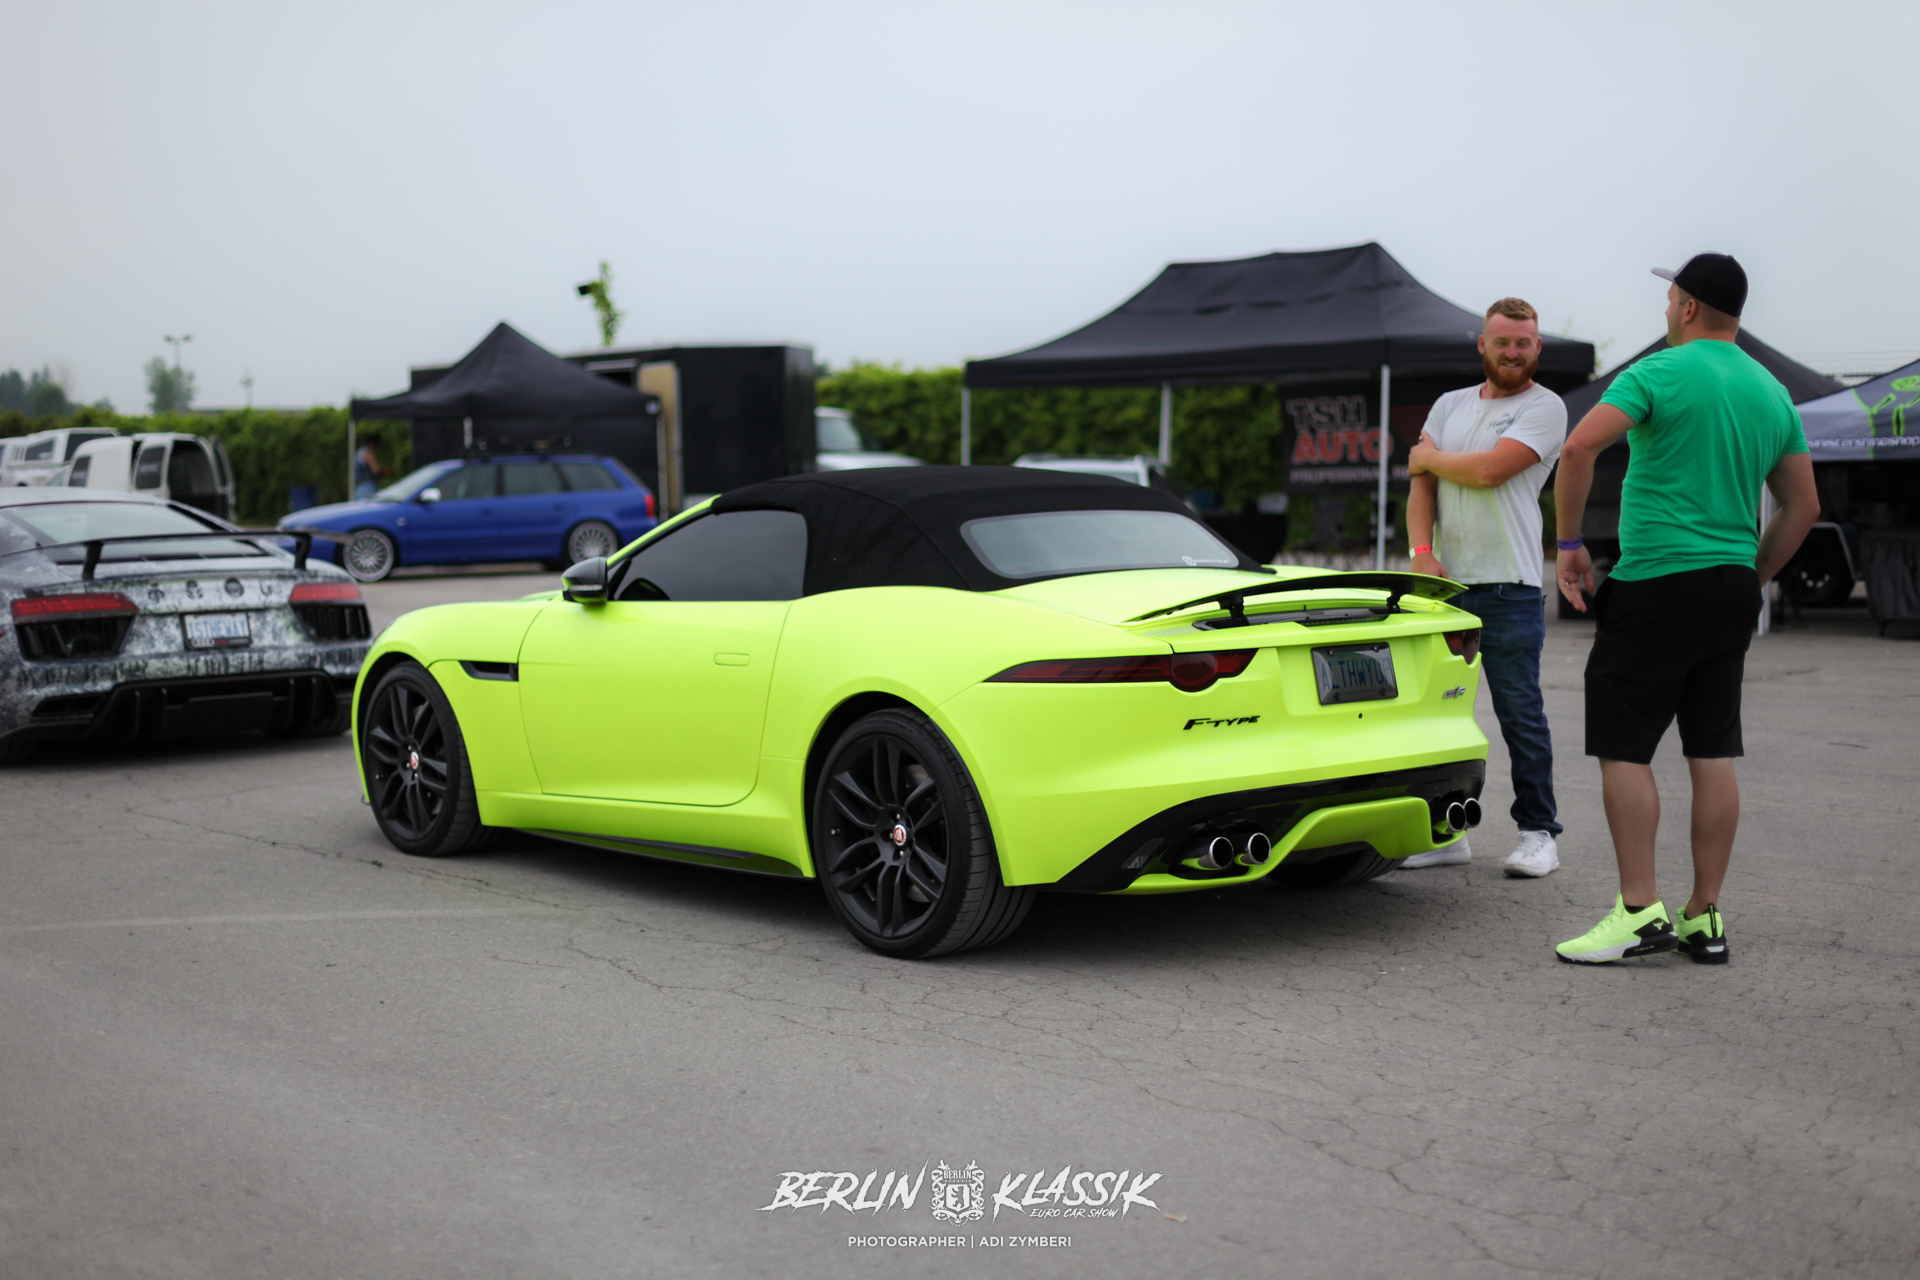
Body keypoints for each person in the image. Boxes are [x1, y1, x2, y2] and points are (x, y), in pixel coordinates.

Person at [1552, 253, 1818, 965]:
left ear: (1690, 306)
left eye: (1670, 298)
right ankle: (1704, 916)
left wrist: (1570, 545)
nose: (1665, 309)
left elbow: (1579, 446)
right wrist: (1751, 577)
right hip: (1730, 587)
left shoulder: (1657, 373)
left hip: (1657, 582)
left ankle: (1640, 911)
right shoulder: (1772, 392)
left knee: (1624, 744)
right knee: (1712, 748)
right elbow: (1803, 506)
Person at [1401, 298, 1566, 878]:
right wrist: (1421, 553)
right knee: (1438, 717)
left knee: (1520, 715)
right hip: (1444, 588)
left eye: (1524, 343)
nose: (1513, 352)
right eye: (1503, 342)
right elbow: (1420, 485)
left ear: (1537, 347)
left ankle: (1539, 834)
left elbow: (1490, 471)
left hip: (1509, 587)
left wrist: (1431, 456)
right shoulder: (1450, 404)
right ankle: (1446, 833)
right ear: (1483, 345)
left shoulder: (1546, 407)